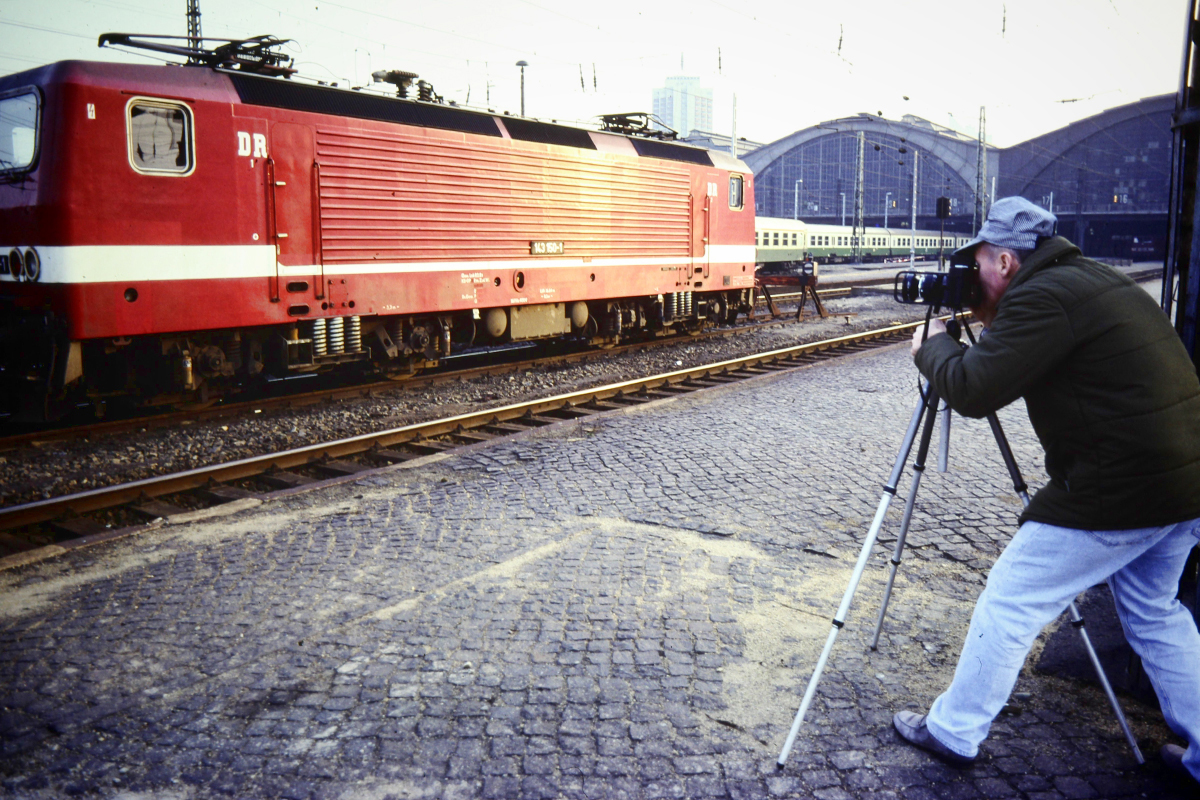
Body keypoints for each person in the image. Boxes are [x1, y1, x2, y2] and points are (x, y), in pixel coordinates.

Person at [897, 196, 1200, 786]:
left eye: (977, 264)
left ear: (1006, 262)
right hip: (1185, 481)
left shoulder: (1041, 297)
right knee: (1156, 614)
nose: (970, 278)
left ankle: (954, 731)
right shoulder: (1087, 280)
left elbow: (973, 389)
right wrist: (990, 325)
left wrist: (932, 346)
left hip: (1125, 485)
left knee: (1011, 599)